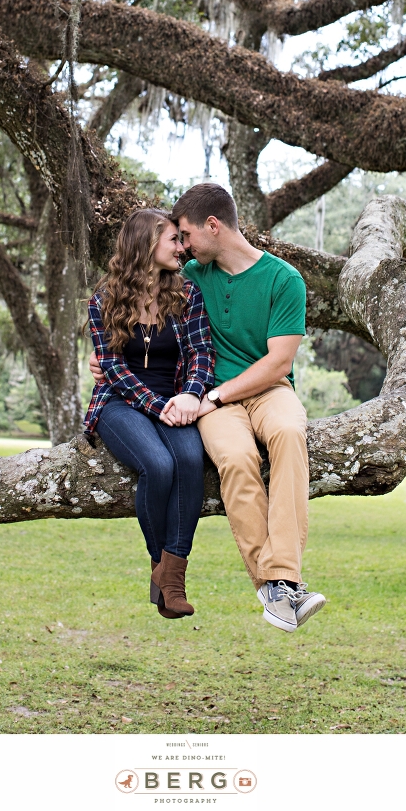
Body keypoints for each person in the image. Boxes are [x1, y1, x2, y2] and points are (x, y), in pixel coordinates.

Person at [91, 183, 325, 633]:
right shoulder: (192, 276)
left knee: (291, 437)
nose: (182, 247)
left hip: (264, 391)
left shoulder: (283, 279)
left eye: (186, 235)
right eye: (175, 238)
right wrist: (102, 360)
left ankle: (283, 581)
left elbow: (278, 361)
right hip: (210, 401)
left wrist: (208, 396)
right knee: (236, 459)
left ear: (212, 226)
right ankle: (269, 589)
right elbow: (136, 311)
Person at [84, 208, 215, 619]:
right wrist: (160, 408)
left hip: (176, 400)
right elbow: (113, 368)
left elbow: (200, 352)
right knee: (158, 465)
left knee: (191, 460)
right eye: (174, 240)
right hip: (120, 403)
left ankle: (174, 576)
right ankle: (161, 568)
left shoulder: (187, 295)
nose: (183, 248)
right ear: (146, 244)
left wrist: (191, 396)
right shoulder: (103, 301)